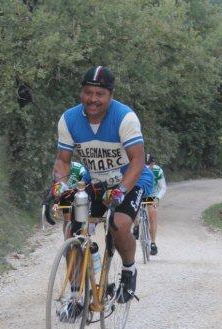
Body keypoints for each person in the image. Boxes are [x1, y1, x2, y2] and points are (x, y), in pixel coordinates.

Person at [51, 66, 154, 314]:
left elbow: (138, 160)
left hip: (131, 180)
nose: (93, 99)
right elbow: (63, 161)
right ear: (81, 92)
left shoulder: (125, 118)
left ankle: (128, 270)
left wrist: (121, 191)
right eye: (88, 92)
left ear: (111, 95)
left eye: (100, 94)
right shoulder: (69, 119)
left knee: (118, 224)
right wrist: (59, 185)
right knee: (73, 229)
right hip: (96, 181)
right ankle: (75, 298)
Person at [56, 161, 91, 239]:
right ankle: (67, 240)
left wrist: (82, 184)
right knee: (67, 220)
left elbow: (86, 176)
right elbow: (57, 184)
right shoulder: (60, 169)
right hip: (66, 194)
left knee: (79, 218)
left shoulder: (78, 167)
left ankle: (81, 234)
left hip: (78, 193)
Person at [143, 154, 166, 255]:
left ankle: (153, 243)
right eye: (145, 165)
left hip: (152, 196)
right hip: (140, 193)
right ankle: (136, 227)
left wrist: (157, 198)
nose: (147, 167)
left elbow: (163, 187)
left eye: (150, 165)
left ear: (153, 164)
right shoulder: (138, 169)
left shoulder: (158, 170)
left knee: (153, 216)